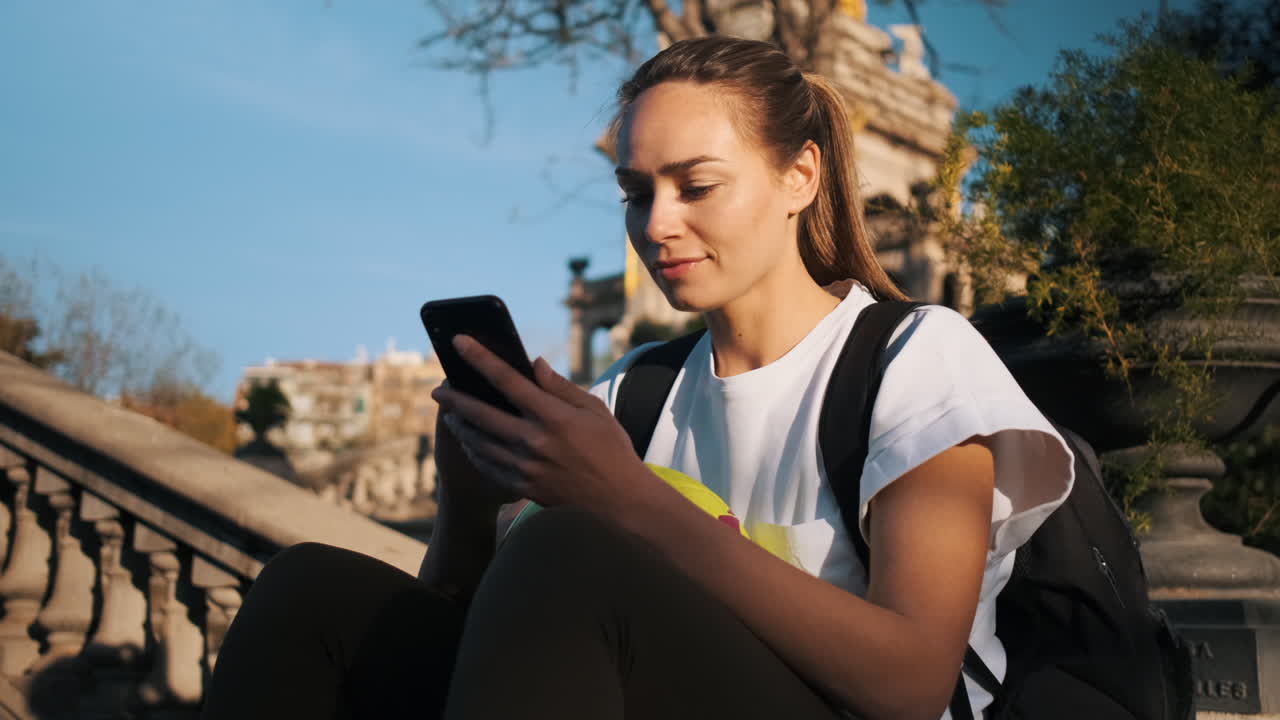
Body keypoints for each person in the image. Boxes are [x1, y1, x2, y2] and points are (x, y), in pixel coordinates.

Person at [201, 36, 1074, 720]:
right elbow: (480, 643)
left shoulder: (913, 356)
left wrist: (628, 499)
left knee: (568, 552)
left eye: (696, 186)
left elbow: (912, 684)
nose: (657, 224)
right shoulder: (636, 393)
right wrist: (465, 502)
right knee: (310, 592)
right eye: (635, 193)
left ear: (799, 176)